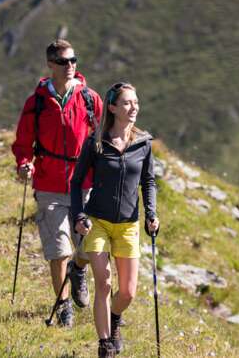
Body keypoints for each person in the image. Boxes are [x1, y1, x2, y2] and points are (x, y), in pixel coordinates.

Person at [11, 39, 103, 327]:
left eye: (73, 60)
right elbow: (23, 142)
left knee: (87, 247)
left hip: (84, 184)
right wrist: (24, 163)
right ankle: (63, 306)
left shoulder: (90, 99)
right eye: (63, 61)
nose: (70, 65)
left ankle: (79, 271)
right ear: (50, 64)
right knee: (59, 249)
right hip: (49, 185)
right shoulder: (36, 103)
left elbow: (102, 138)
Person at [70, 82, 160, 357]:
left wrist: (151, 213)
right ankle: (105, 344)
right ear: (112, 107)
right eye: (127, 103)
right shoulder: (95, 142)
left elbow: (148, 181)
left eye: (136, 102)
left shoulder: (143, 143)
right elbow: (76, 182)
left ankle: (115, 318)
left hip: (128, 225)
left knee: (128, 293)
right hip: (97, 221)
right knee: (104, 283)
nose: (134, 107)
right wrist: (78, 215)